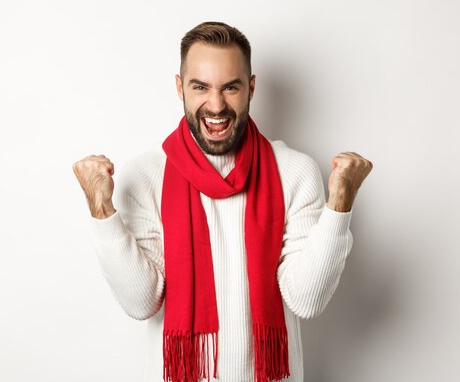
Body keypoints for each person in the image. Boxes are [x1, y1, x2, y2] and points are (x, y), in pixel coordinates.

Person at [72, 21, 372, 382]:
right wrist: (101, 211)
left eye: (231, 88)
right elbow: (141, 302)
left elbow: (306, 299)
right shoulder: (145, 175)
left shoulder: (294, 171)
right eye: (201, 87)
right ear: (180, 87)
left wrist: (340, 204)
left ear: (252, 88)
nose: (216, 105)